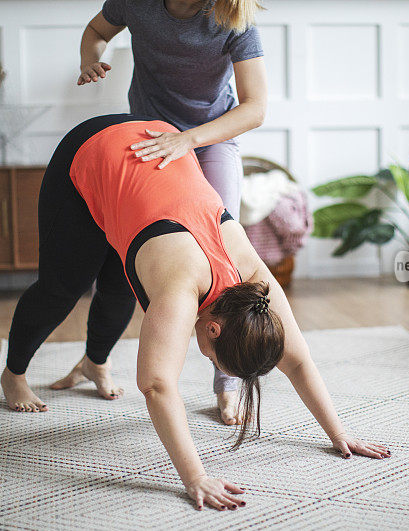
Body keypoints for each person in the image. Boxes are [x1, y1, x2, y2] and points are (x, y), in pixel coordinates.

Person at [0, 114, 391, 511]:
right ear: (215, 330)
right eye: (216, 362)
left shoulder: (256, 284)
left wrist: (338, 433)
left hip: (154, 153)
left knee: (121, 283)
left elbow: (298, 361)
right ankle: (13, 374)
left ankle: (93, 363)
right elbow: (156, 385)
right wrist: (195, 477)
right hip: (94, 148)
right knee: (63, 287)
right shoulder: (180, 285)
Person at [74, 0, 268, 424]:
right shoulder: (135, 3)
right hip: (146, 134)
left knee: (225, 257)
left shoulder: (232, 15)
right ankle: (95, 359)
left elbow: (255, 108)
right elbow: (97, 31)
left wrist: (190, 140)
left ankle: (228, 382)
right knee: (126, 254)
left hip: (211, 136)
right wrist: (91, 60)